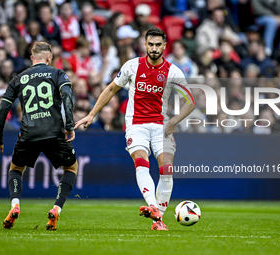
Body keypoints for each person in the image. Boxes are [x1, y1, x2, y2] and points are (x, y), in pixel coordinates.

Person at [75, 28, 195, 230]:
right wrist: (92, 113)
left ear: (165, 46)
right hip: (136, 124)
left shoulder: (173, 72)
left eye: (158, 45)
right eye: (151, 44)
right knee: (141, 162)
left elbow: (190, 101)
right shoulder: (132, 66)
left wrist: (174, 121)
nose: (154, 48)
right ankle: (153, 209)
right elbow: (111, 88)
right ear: (145, 45)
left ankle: (159, 220)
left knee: (166, 171)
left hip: (161, 126)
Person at [0, 42, 78, 231]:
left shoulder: (19, 78)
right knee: (71, 167)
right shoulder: (57, 73)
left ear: (32, 58)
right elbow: (67, 97)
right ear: (49, 57)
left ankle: (15, 204)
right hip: (54, 132)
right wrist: (69, 125)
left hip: (28, 133)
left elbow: (3, 109)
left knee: (15, 168)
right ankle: (56, 209)